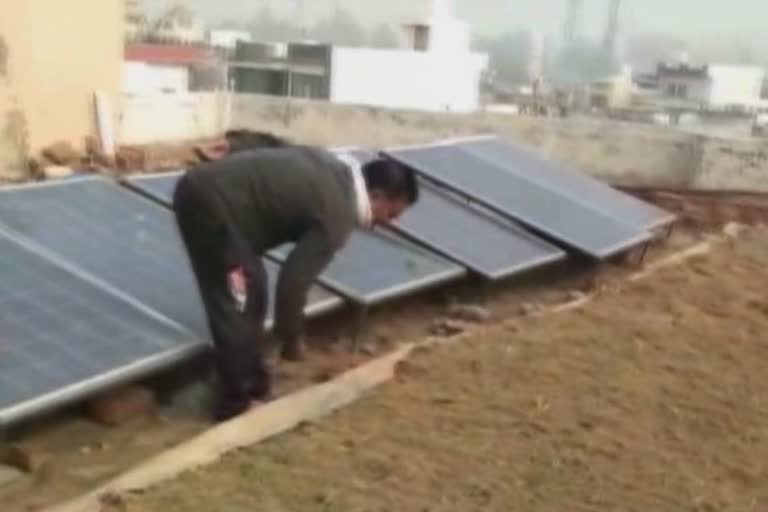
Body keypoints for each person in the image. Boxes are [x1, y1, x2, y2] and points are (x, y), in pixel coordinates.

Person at [172, 142, 419, 421]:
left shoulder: (337, 171)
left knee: (253, 293)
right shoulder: (338, 213)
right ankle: (234, 405)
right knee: (238, 302)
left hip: (220, 204)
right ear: (376, 196)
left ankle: (254, 385)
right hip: (212, 206)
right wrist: (292, 340)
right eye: (392, 214)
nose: (390, 223)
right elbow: (293, 282)